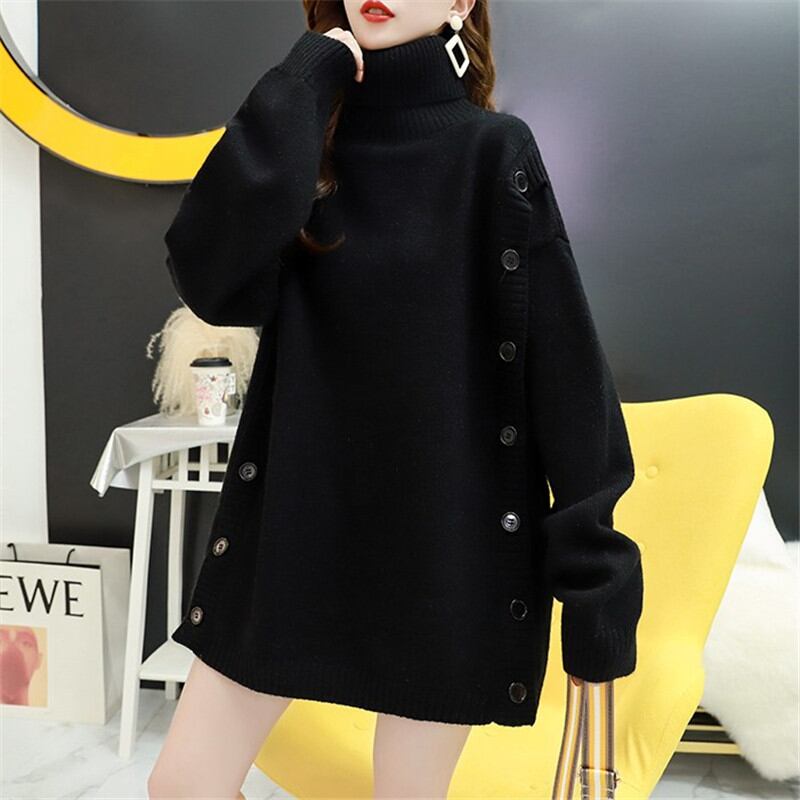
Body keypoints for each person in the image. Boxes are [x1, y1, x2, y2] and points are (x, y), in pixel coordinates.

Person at [149, 1, 643, 797]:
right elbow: (208, 276)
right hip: (296, 540)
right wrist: (309, 72)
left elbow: (566, 372)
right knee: (182, 784)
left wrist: (597, 588)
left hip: (446, 553)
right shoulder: (307, 142)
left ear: (460, 3)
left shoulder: (493, 153)